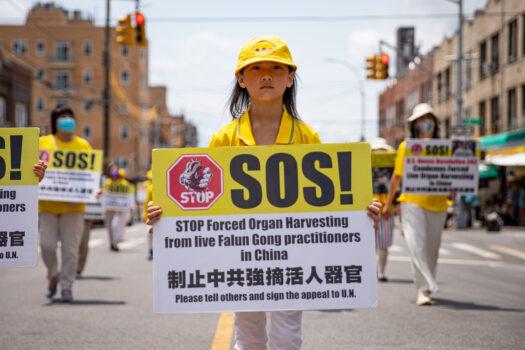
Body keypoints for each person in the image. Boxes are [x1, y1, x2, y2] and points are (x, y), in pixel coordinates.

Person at [147, 35, 382, 350]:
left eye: (276, 67)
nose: (267, 74)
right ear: (241, 79)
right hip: (240, 257)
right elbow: (197, 200)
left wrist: (362, 213)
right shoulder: (224, 139)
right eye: (256, 68)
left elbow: (333, 202)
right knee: (249, 336)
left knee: (287, 337)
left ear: (290, 78)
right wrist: (163, 215)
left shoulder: (307, 136)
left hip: (292, 256)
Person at [383, 103, 449, 306]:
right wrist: (388, 203)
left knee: (432, 249)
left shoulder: (445, 148)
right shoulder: (407, 147)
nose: (425, 122)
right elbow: (397, 176)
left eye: (428, 118)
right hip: (412, 203)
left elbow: (450, 175)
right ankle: (423, 289)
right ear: (415, 124)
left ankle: (429, 284)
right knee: (416, 245)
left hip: (438, 204)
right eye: (421, 119)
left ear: (435, 123)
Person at [39, 105, 92, 302]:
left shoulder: (83, 145)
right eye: (63, 117)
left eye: (70, 116)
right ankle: (53, 274)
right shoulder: (43, 143)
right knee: (46, 245)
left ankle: (67, 285)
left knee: (71, 249)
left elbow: (91, 174)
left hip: (74, 207)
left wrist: (94, 189)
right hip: (47, 205)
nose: (67, 120)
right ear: (55, 121)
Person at [370, 137, 395, 282]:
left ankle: (380, 272)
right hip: (374, 208)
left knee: (382, 244)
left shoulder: (392, 164)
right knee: (377, 244)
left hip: (384, 208)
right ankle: (379, 272)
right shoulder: (365, 163)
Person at [104, 166, 131, 251]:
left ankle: (115, 242)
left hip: (119, 209)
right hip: (109, 209)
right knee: (109, 227)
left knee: (116, 225)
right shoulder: (107, 182)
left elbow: (128, 195)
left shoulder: (123, 183)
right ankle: (112, 242)